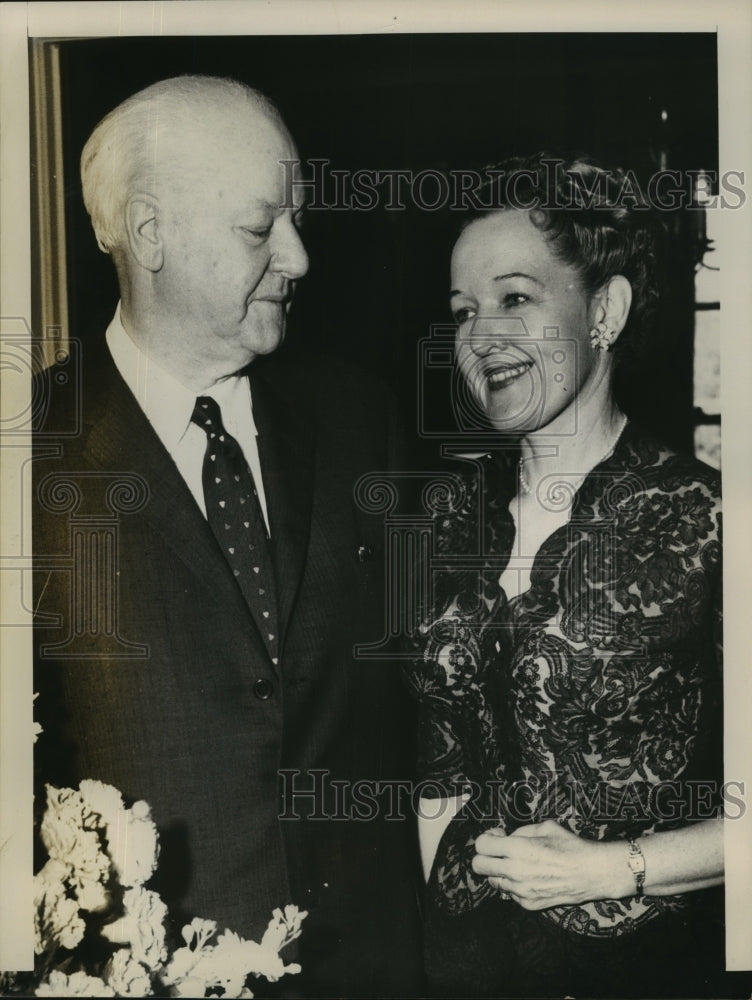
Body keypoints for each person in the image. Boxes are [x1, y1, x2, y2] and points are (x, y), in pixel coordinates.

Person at [33, 75, 422, 997]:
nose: (298, 256)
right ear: (151, 233)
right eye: (260, 229)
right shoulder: (28, 452)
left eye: (294, 220)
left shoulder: (361, 420)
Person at [405, 154, 737, 998]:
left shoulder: (711, 519)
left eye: (516, 298)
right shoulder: (443, 519)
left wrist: (615, 869)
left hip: (651, 969)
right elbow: (431, 760)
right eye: (463, 311)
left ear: (606, 310)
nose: (482, 336)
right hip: (459, 967)